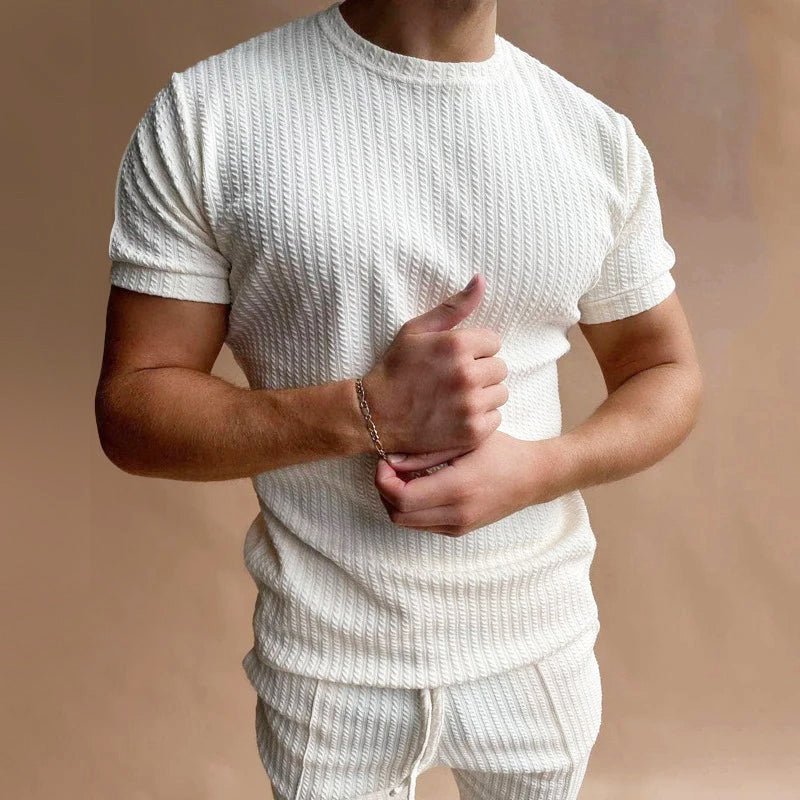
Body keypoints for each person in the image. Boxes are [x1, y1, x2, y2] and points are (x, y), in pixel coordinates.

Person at [95, 1, 703, 798]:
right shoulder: (208, 115)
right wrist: (367, 413)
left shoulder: (594, 138)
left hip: (541, 651)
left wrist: (542, 470)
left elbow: (665, 368)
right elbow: (133, 410)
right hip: (328, 668)